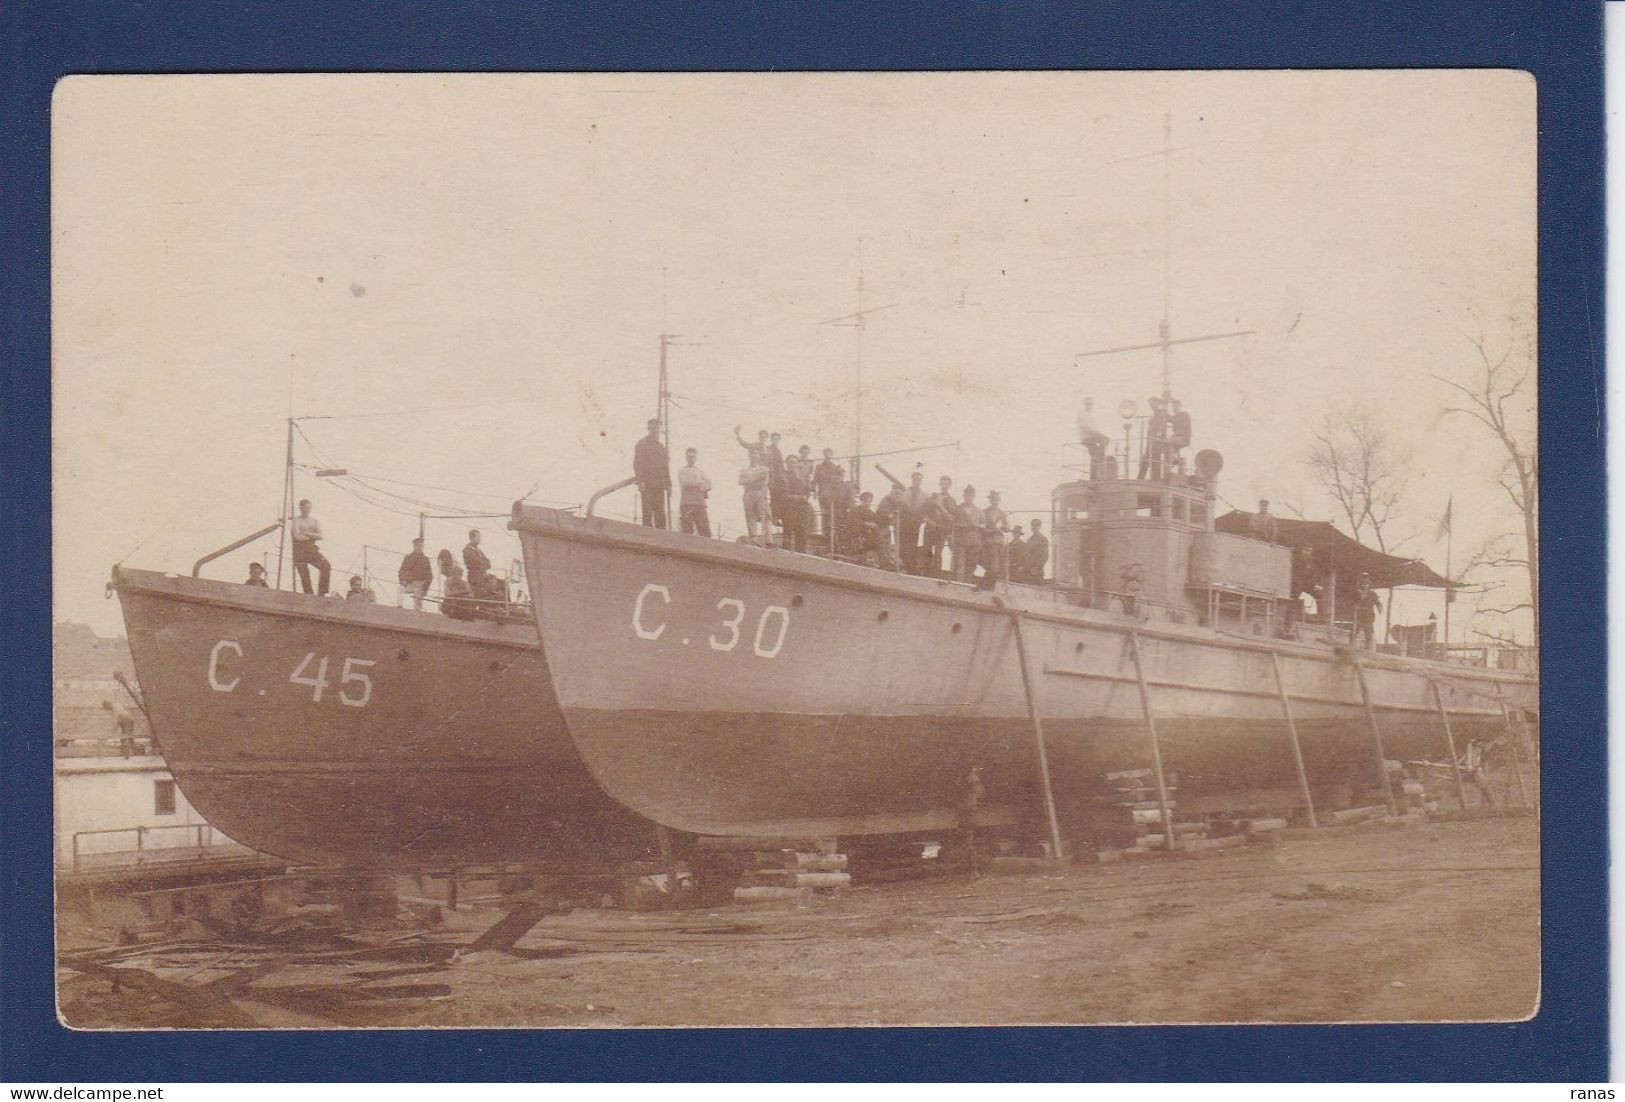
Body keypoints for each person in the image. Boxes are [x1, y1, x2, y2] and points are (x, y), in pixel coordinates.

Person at [632, 418, 670, 529]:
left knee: (661, 516)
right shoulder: (642, 444)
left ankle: (662, 541)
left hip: (659, 486)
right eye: (652, 428)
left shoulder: (662, 448)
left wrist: (669, 484)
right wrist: (640, 481)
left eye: (656, 428)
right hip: (647, 485)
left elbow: (665, 468)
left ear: (660, 429)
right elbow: (637, 464)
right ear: (648, 429)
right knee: (647, 515)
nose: (654, 431)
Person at [290, 498, 331, 596]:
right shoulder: (296, 520)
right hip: (299, 550)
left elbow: (321, 536)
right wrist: (312, 535)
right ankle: (309, 595)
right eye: (304, 508)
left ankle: (323, 593)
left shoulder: (314, 521)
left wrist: (306, 533)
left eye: (308, 508)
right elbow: (297, 537)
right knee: (305, 575)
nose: (306, 510)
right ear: (300, 508)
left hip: (310, 548)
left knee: (326, 565)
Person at [896, 469, 932, 574]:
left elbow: (927, 509)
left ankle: (911, 570)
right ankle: (904, 568)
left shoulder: (925, 495)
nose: (917, 481)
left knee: (912, 548)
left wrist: (923, 518)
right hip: (904, 523)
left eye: (919, 479)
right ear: (912, 480)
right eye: (915, 479)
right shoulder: (905, 492)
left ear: (921, 481)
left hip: (915, 525)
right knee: (902, 547)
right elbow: (900, 506)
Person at [739, 448, 772, 547]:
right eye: (751, 453)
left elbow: (764, 482)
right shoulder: (744, 470)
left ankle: (768, 540)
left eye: (755, 453)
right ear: (749, 456)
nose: (753, 455)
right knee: (750, 515)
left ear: (759, 456)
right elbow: (741, 481)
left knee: (766, 514)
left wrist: (749, 480)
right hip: (748, 493)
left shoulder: (764, 469)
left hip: (760, 493)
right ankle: (754, 538)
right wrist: (756, 478)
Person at [677, 447, 713, 537]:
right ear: (686, 457)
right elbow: (684, 483)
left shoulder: (700, 471)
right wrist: (699, 483)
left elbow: (709, 484)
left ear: (696, 458)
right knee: (687, 532)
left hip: (700, 504)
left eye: (693, 457)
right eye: (689, 457)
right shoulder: (682, 471)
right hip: (687, 504)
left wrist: (701, 486)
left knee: (705, 532)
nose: (691, 459)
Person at [782, 454, 814, 553]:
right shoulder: (783, 476)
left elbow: (807, 491)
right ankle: (785, 553)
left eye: (795, 462)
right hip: (788, 507)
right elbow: (781, 493)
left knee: (801, 531)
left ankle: (801, 553)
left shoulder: (802, 478)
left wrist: (804, 496)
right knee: (787, 531)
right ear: (787, 464)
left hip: (801, 508)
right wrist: (795, 497)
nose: (793, 465)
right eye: (791, 462)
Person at [952, 485, 983, 583]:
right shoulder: (958, 509)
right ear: (964, 496)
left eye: (971, 496)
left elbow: (983, 524)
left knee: (971, 564)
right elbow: (952, 523)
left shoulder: (978, 510)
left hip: (974, 542)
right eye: (967, 495)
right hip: (961, 541)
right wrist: (963, 525)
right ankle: (959, 585)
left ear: (974, 497)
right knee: (960, 564)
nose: (969, 498)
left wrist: (976, 525)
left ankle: (967, 584)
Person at [926, 475, 956, 576]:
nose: (944, 486)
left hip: (941, 530)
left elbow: (951, 517)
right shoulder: (934, 496)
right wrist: (929, 521)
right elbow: (925, 510)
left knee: (938, 552)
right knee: (927, 550)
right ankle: (926, 573)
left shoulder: (952, 501)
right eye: (942, 483)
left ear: (950, 485)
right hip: (930, 528)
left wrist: (939, 505)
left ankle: (936, 574)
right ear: (939, 484)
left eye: (946, 484)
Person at [979, 490, 1010, 588]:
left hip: (1000, 544)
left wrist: (1005, 527)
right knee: (993, 568)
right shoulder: (984, 512)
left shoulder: (1002, 513)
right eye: (993, 499)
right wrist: (993, 529)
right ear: (990, 500)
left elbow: (1007, 527)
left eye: (996, 499)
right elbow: (982, 529)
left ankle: (987, 586)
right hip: (989, 543)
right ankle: (986, 586)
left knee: (998, 568)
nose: (995, 501)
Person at [437, 549, 476, 620]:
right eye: (456, 574)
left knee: (468, 602)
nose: (458, 576)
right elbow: (447, 593)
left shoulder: (464, 583)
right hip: (453, 601)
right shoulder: (448, 582)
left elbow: (470, 594)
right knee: (449, 602)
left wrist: (458, 594)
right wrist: (460, 593)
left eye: (459, 575)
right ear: (453, 574)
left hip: (461, 602)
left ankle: (466, 617)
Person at [1077, 398, 1110, 480]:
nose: (1089, 406)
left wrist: (1099, 433)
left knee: (1095, 454)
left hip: (1091, 437)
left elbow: (1094, 428)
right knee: (1104, 440)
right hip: (1087, 437)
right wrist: (1100, 434)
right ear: (1085, 405)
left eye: (1090, 404)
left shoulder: (1090, 415)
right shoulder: (1083, 415)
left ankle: (1099, 459)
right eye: (1087, 404)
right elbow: (1088, 429)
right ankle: (1100, 461)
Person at [1138, 395, 1171, 480]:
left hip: (1156, 442)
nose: (1151, 406)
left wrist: (1157, 436)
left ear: (1157, 403)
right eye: (1150, 404)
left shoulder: (1160, 414)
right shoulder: (1154, 415)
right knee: (1147, 460)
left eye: (1153, 404)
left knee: (1154, 460)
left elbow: (1161, 427)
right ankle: (1141, 478)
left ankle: (1154, 479)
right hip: (1150, 442)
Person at [813, 448, 843, 538]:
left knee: (832, 513)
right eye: (826, 453)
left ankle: (832, 535)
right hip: (822, 493)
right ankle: (825, 534)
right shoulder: (819, 467)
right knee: (824, 513)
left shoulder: (834, 467)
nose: (827, 455)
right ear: (823, 454)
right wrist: (814, 491)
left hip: (832, 494)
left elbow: (839, 479)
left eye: (829, 454)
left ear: (832, 455)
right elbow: (815, 480)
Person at [398, 536, 433, 611]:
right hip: (409, 584)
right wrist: (403, 580)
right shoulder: (408, 557)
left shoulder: (425, 560)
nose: (419, 547)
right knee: (400, 589)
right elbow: (402, 571)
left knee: (417, 607)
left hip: (419, 585)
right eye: (418, 545)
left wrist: (425, 589)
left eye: (421, 546)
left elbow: (430, 576)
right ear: (414, 546)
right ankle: (399, 607)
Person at [1354, 574, 1382, 649]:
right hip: (1360, 613)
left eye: (1367, 584)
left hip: (1369, 614)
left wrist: (1379, 608)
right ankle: (1353, 647)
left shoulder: (1373, 594)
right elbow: (1354, 603)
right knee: (1356, 630)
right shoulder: (1358, 593)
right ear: (1361, 585)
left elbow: (1378, 603)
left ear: (1369, 585)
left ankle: (1367, 648)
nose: (1365, 585)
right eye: (1364, 584)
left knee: (1368, 631)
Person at [1167, 397, 1193, 475]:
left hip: (1184, 438)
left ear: (1180, 406)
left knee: (1168, 441)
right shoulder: (1175, 416)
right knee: (1170, 445)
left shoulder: (1184, 415)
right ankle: (1176, 460)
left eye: (1176, 406)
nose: (1175, 409)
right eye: (1173, 407)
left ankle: (1176, 460)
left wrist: (1172, 436)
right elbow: (1168, 418)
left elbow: (1182, 430)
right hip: (1178, 438)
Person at [1023, 519, 1049, 584]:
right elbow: (1026, 554)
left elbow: (1045, 556)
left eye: (1036, 525)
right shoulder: (1030, 539)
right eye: (1032, 525)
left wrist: (1037, 567)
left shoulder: (1043, 539)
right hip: (1028, 569)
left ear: (1040, 527)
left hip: (1037, 571)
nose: (1034, 527)